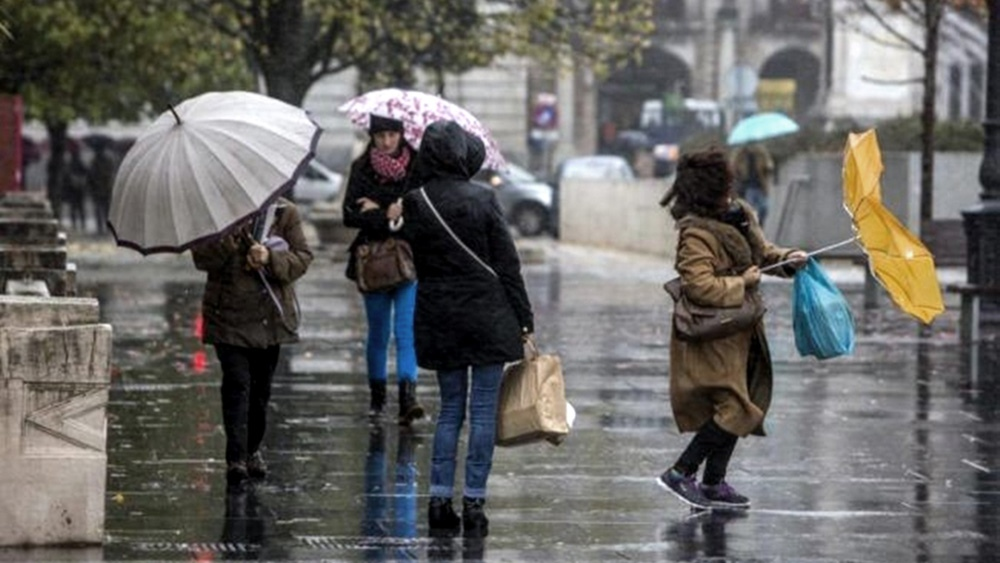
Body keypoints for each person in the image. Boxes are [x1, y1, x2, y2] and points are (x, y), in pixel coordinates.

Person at [395, 120, 534, 538]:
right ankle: (474, 502)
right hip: (488, 316)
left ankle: (439, 501)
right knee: (483, 411)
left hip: (441, 316)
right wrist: (525, 321)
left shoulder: (414, 202)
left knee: (450, 410)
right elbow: (507, 264)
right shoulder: (482, 197)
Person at [657, 147, 806, 510]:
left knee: (741, 399)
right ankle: (680, 472)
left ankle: (713, 481)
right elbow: (699, 286)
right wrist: (742, 281)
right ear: (710, 189)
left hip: (742, 327)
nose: (731, 185)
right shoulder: (696, 234)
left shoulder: (740, 214)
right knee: (735, 407)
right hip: (713, 332)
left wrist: (788, 260)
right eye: (724, 181)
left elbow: (763, 252)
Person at [191, 198, 313, 489]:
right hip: (228, 317)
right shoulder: (216, 213)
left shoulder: (285, 213)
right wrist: (229, 240)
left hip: (268, 319)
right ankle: (235, 457)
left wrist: (270, 258)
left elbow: (303, 257)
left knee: (260, 390)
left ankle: (252, 449)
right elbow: (202, 259)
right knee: (237, 383)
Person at [343, 114, 424, 427]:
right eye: (380, 136)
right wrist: (383, 214)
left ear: (401, 135)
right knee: (378, 333)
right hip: (372, 263)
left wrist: (381, 209)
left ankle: (409, 399)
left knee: (406, 332)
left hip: (407, 262)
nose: (386, 141)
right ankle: (378, 398)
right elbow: (349, 215)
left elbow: (422, 213)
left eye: (391, 135)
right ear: (372, 137)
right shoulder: (361, 168)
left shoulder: (417, 168)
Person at [731, 142, 774, 226]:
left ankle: (759, 225)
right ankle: (753, 227)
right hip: (747, 187)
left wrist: (767, 168)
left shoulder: (761, 153)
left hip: (760, 187)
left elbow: (769, 166)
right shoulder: (740, 155)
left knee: (764, 208)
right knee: (750, 210)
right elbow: (734, 169)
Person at [87, 145, 116, 235]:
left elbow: (91, 176)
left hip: (100, 189)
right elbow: (111, 173)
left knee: (101, 210)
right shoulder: (107, 161)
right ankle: (105, 228)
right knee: (105, 210)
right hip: (104, 189)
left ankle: (102, 228)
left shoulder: (95, 161)